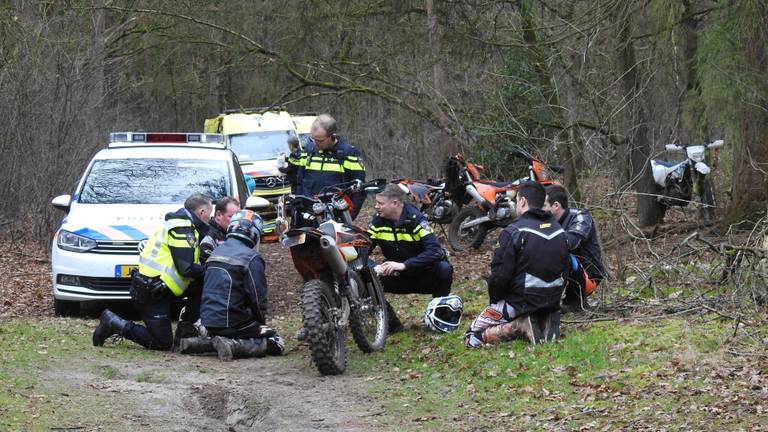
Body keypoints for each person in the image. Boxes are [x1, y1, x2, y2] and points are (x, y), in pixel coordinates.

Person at [92, 194, 212, 351]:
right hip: (152, 292)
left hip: (162, 287)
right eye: (209, 213)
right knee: (162, 343)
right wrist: (209, 269)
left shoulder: (183, 224)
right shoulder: (182, 229)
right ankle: (114, 324)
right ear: (202, 212)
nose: (210, 218)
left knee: (201, 283)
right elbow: (186, 268)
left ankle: (185, 332)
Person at [464, 182, 570, 348]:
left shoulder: (513, 231)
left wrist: (495, 301)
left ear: (523, 202)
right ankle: (543, 319)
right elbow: (566, 270)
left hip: (520, 303)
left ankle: (519, 326)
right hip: (553, 299)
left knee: (471, 337)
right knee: (535, 304)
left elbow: (499, 276)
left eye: (517, 200)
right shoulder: (560, 231)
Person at [180, 210, 285, 361]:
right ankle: (233, 345)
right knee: (276, 341)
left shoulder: (215, 253)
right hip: (233, 321)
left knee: (223, 330)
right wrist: (259, 323)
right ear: (254, 234)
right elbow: (257, 297)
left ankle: (199, 344)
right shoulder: (252, 258)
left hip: (207, 320)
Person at [368, 183, 454, 332]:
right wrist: (373, 266)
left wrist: (404, 265)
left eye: (380, 203)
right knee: (364, 276)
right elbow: (361, 251)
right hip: (396, 277)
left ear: (395, 203)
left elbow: (435, 251)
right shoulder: (377, 221)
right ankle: (391, 325)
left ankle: (440, 317)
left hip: (423, 275)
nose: (376, 207)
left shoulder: (416, 219)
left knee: (444, 269)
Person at [543, 185, 607, 312]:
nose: (540, 209)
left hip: (588, 276)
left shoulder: (581, 216)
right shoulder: (546, 222)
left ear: (556, 205)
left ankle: (574, 301)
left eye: (544, 205)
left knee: (560, 254)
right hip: (565, 274)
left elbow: (570, 242)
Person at [295, 114, 366, 219]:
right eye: (313, 139)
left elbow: (359, 189)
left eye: (320, 140)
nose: (315, 143)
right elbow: (299, 181)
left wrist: (349, 216)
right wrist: (299, 206)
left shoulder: (349, 153)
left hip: (336, 214)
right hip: (309, 214)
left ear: (332, 136)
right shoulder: (308, 150)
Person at [199, 196, 240, 264]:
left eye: (238, 217)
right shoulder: (208, 239)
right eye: (232, 216)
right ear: (218, 215)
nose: (237, 221)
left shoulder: (231, 232)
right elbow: (210, 270)